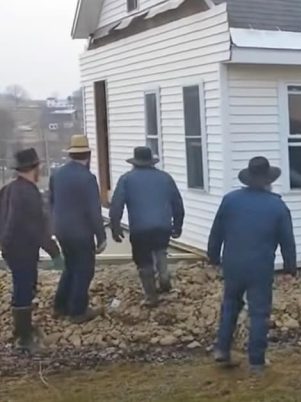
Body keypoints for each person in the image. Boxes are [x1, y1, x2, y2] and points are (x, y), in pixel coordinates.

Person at [207, 156, 297, 375]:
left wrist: (212, 257)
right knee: (258, 313)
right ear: (269, 181)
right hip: (260, 267)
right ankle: (256, 362)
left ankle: (222, 349)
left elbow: (216, 231)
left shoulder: (230, 200)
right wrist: (290, 267)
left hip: (233, 263)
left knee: (230, 305)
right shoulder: (278, 206)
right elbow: (287, 241)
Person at [0, 148, 63, 352]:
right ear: (33, 168)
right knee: (24, 288)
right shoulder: (29, 193)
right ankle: (25, 340)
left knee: (23, 285)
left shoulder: (8, 189)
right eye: (38, 167)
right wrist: (54, 251)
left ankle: (21, 329)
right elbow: (36, 228)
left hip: (11, 247)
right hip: (22, 248)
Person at [109, 146, 184, 307]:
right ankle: (164, 278)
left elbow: (117, 205)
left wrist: (115, 226)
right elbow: (177, 203)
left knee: (144, 262)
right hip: (163, 227)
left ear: (134, 163)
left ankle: (151, 296)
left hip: (140, 229)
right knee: (160, 250)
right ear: (152, 162)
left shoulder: (126, 179)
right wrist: (178, 225)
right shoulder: (165, 178)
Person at [49, 135, 107, 323]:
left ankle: (60, 306)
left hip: (61, 229)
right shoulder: (88, 178)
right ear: (88, 155)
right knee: (84, 270)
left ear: (71, 154)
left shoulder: (56, 174)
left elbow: (50, 202)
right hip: (81, 232)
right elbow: (94, 210)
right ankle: (77, 311)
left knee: (70, 266)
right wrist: (101, 236)